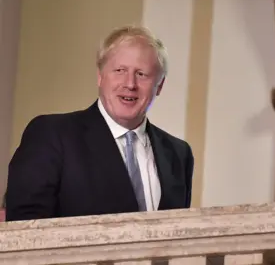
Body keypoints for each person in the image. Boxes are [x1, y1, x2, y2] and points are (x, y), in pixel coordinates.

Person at [6, 25, 194, 221]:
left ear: (160, 85)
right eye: (120, 70)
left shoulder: (179, 154)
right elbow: (24, 228)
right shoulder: (51, 135)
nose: (130, 84)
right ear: (100, 76)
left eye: (142, 74)